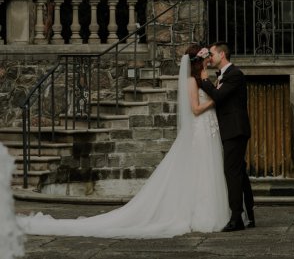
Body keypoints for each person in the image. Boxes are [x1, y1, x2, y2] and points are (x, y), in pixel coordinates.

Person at [17, 45, 230, 239]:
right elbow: (195, 109)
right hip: (199, 128)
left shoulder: (202, 77)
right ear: (199, 60)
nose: (208, 59)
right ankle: (197, 213)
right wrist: (214, 100)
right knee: (199, 169)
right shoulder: (192, 81)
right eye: (205, 56)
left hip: (206, 128)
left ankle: (204, 210)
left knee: (204, 169)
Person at [200, 41, 255, 232]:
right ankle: (249, 212)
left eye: (213, 54)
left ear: (222, 54)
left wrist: (203, 80)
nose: (211, 58)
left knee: (231, 173)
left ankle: (236, 219)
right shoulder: (225, 75)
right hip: (231, 130)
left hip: (235, 130)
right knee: (239, 171)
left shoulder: (235, 74)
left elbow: (218, 96)